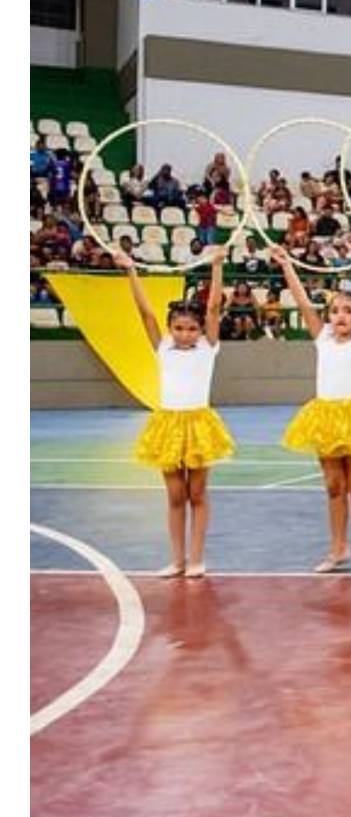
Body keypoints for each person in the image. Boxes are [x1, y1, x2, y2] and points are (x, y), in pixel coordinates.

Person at [273, 237, 351, 574]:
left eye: (348, 311)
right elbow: (302, 302)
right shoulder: (322, 337)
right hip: (325, 416)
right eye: (336, 311)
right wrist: (286, 265)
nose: (340, 316)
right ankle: (338, 548)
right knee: (333, 486)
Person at [116, 247, 232, 577]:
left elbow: (213, 308)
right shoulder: (164, 346)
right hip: (167, 424)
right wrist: (130, 271)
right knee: (175, 495)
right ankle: (177, 559)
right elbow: (146, 314)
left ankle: (196, 558)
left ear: (200, 331)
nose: (184, 335)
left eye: (191, 329)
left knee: (197, 493)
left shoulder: (209, 347)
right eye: (179, 328)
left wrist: (217, 266)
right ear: (170, 329)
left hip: (198, 425)